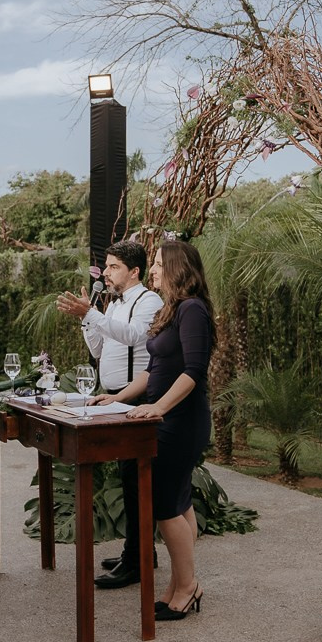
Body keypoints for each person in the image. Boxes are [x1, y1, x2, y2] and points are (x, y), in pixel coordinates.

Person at [94, 241, 213, 620]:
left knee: (164, 506)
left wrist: (158, 408)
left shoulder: (193, 309)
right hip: (162, 416)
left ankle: (188, 587)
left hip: (179, 419)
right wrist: (118, 399)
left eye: (160, 263)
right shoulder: (172, 309)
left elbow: (193, 371)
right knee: (179, 504)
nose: (154, 269)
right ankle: (181, 585)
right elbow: (152, 371)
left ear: (179, 267)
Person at [57, 239, 164, 590]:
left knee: (137, 479)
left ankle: (137, 559)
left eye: (113, 266)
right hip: (115, 398)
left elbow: (135, 337)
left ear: (134, 271)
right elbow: (99, 349)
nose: (106, 272)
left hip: (139, 398)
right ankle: (139, 551)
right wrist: (88, 319)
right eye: (106, 265)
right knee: (128, 476)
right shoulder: (113, 305)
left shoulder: (149, 301)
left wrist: (91, 314)